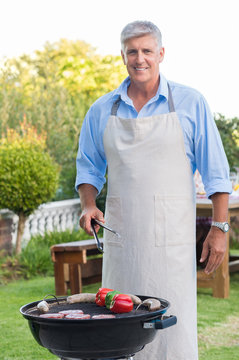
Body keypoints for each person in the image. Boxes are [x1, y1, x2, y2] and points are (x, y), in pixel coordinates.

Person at [75, 20, 232, 360]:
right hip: (122, 243)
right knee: (119, 331)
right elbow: (88, 166)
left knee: (171, 335)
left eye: (147, 51)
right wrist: (88, 203)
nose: (140, 59)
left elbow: (216, 174)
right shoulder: (102, 110)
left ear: (161, 54)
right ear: (123, 56)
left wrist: (219, 229)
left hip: (171, 247)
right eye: (132, 51)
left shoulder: (191, 103)